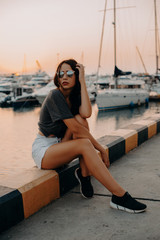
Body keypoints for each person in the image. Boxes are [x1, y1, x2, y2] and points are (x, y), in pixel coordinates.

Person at [32, 59, 147, 213]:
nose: (64, 77)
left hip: (61, 144)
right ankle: (119, 196)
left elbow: (86, 114)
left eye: (70, 73)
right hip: (45, 150)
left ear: (76, 75)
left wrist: (82, 80)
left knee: (81, 119)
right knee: (84, 141)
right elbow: (76, 130)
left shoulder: (73, 97)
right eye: (61, 73)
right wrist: (100, 148)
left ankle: (84, 174)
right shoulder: (55, 95)